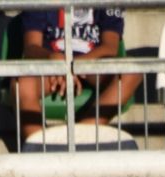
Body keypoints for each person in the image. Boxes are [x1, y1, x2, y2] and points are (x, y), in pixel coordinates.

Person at [14, 7, 141, 141]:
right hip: (52, 67)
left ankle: (80, 139)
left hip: (92, 64)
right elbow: (31, 47)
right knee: (21, 83)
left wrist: (73, 66)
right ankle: (41, 148)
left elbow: (110, 47)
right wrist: (53, 58)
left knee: (132, 71)